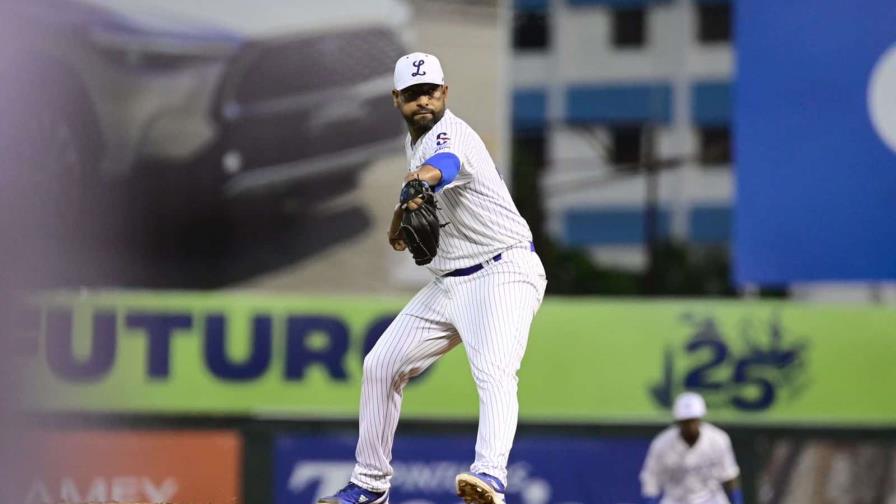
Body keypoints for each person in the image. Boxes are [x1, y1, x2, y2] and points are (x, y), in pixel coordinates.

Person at [318, 52, 547, 504]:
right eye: (413, 94)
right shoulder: (415, 140)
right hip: (449, 283)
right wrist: (402, 213)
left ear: (445, 92)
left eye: (430, 91)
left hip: (503, 271)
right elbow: (418, 182)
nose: (423, 100)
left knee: (495, 370)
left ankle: (491, 475)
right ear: (396, 99)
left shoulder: (450, 135)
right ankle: (370, 484)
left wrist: (421, 181)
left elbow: (444, 164)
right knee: (380, 366)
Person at [640, 392, 743, 504]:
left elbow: (729, 475)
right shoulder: (662, 444)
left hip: (710, 498)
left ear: (700, 419)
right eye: (685, 421)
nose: (690, 426)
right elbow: (651, 479)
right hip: (676, 500)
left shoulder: (718, 439)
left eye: (693, 420)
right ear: (678, 421)